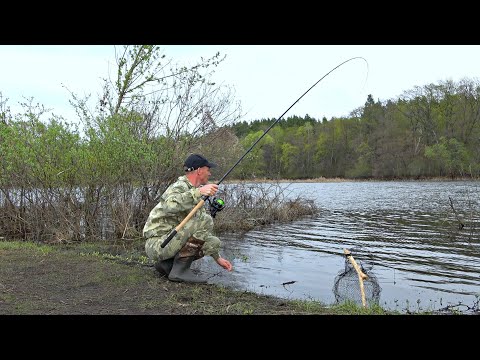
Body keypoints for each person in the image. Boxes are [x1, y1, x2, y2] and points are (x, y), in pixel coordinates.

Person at [143, 153, 233, 283]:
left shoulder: (194, 190)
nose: (210, 174)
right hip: (158, 244)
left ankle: (167, 265)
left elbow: (200, 230)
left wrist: (217, 258)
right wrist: (199, 193)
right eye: (208, 170)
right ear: (199, 170)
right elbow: (169, 205)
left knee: (214, 242)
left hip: (169, 243)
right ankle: (180, 271)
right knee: (206, 220)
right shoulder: (180, 186)